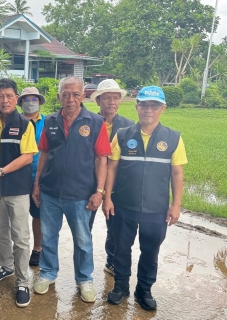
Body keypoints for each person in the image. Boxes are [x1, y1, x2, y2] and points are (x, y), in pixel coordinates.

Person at [103, 86, 187, 311]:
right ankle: (121, 285)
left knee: (150, 250)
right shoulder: (122, 135)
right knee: (121, 247)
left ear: (163, 108)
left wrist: (175, 205)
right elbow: (112, 167)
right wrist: (107, 198)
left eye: (154, 105)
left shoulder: (173, 138)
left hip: (156, 208)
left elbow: (177, 173)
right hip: (123, 205)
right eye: (144, 104)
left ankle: (144, 289)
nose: (149, 109)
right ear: (137, 106)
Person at [32, 77, 111, 303]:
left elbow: (101, 160)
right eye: (66, 94)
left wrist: (99, 191)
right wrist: (37, 182)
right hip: (50, 192)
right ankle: (47, 273)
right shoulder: (50, 121)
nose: (71, 99)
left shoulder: (96, 122)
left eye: (76, 94)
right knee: (48, 237)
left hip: (81, 195)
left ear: (83, 96)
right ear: (59, 97)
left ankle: (84, 278)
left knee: (83, 240)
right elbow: (44, 153)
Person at [0, 78, 38, 308]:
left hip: (17, 189)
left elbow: (27, 156)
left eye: (8, 96)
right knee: (0, 232)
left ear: (16, 98)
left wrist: (0, 172)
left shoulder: (25, 125)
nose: (4, 100)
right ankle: (6, 267)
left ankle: (23, 280)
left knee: (21, 237)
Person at [89, 79, 135, 276]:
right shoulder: (88, 122)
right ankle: (84, 266)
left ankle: (112, 261)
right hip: (89, 183)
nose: (112, 102)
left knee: (114, 226)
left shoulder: (129, 126)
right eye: (107, 98)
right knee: (84, 226)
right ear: (98, 101)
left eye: (115, 98)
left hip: (117, 185)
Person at [17, 87, 46, 267]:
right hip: (18, 176)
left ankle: (37, 249)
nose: (30, 102)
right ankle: (19, 251)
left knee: (38, 215)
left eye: (33, 99)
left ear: (39, 102)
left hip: (40, 176)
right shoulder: (15, 121)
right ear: (20, 103)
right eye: (26, 99)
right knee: (18, 217)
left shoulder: (49, 122)